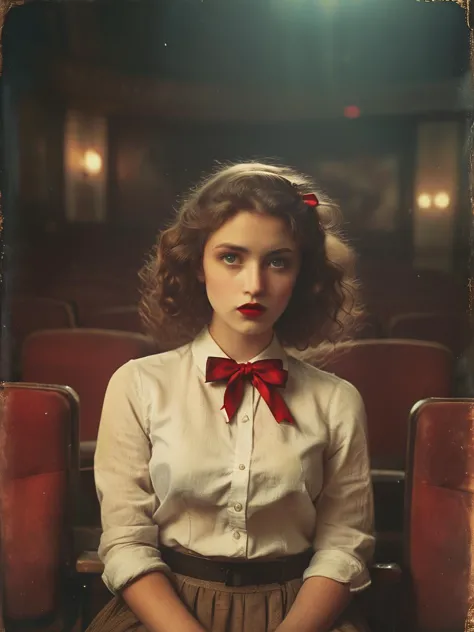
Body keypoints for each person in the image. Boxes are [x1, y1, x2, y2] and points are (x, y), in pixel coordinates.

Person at [87, 162, 375, 632]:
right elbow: (125, 542)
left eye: (278, 261)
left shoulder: (337, 401)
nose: (254, 284)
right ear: (198, 264)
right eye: (231, 257)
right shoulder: (138, 384)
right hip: (166, 614)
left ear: (300, 273)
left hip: (299, 615)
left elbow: (344, 546)